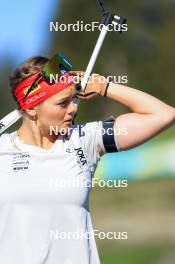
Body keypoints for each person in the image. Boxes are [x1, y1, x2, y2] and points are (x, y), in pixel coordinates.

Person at [0, 54, 174, 264]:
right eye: (63, 103)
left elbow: (163, 115)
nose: (73, 108)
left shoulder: (83, 140)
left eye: (73, 98)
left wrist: (104, 87)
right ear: (30, 108)